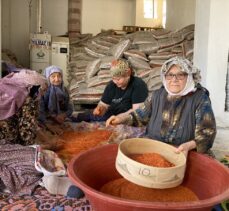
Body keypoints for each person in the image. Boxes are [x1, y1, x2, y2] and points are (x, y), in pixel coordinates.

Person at [106, 56, 216, 156]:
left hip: (185, 152)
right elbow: (139, 116)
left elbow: (207, 133)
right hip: (155, 149)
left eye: (180, 75)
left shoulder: (200, 99)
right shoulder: (157, 95)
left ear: (190, 77)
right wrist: (120, 119)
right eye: (170, 75)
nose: (174, 79)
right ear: (164, 76)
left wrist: (189, 145)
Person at [75, 58, 148, 122]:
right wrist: (100, 109)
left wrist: (120, 118)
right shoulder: (111, 85)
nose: (115, 82)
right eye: (113, 78)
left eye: (118, 79)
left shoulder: (138, 85)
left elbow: (137, 112)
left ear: (128, 73)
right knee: (86, 116)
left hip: (128, 117)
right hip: (112, 114)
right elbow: (103, 104)